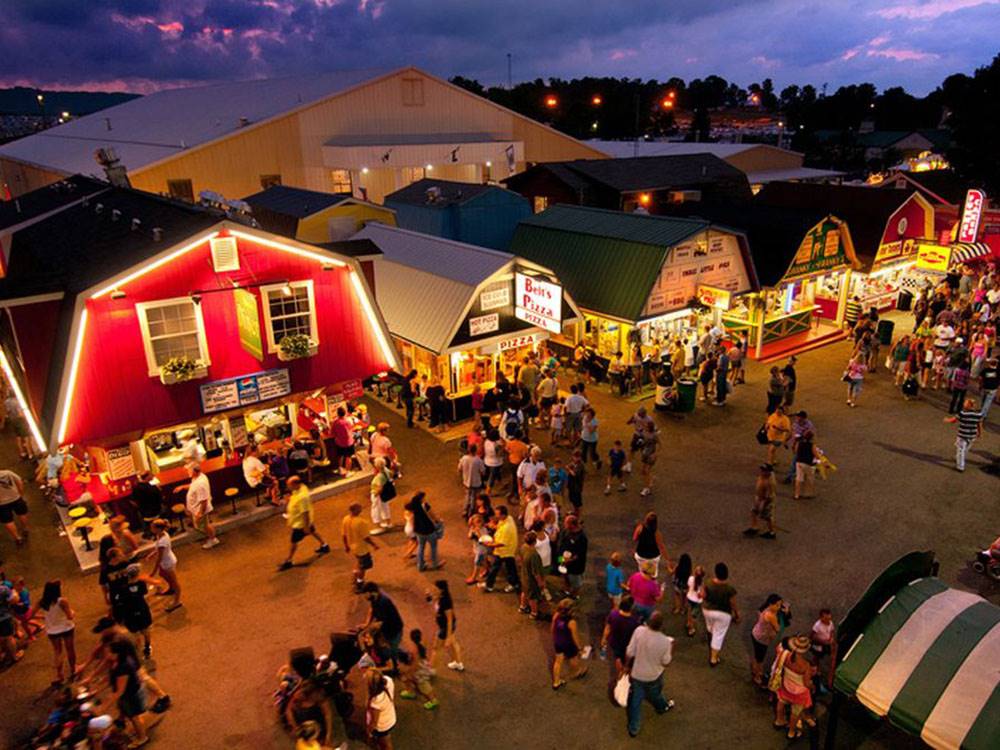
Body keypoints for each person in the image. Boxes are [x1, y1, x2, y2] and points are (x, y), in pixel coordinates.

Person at [624, 611, 675, 738]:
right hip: (654, 675)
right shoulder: (665, 642)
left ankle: (634, 728)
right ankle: (662, 707)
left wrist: (626, 666)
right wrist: (672, 648)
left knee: (635, 700)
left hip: (637, 674)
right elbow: (666, 662)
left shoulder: (639, 631)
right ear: (661, 626)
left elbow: (630, 652)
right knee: (655, 694)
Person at [29, 580, 76, 684]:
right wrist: (73, 612)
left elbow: (30, 615)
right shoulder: (62, 601)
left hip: (53, 631)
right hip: (66, 628)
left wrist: (44, 617)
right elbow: (70, 616)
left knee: (58, 652)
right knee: (70, 649)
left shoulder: (41, 602)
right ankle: (73, 669)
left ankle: (60, 675)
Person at [279, 476, 329, 570]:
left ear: (295, 484)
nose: (288, 487)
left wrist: (306, 526)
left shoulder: (302, 497)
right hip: (304, 522)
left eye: (289, 485)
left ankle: (289, 560)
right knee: (313, 531)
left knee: (293, 542)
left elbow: (305, 512)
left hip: (300, 523)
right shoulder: (302, 488)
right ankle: (324, 545)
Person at [109, 635, 149, 746]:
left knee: (134, 716)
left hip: (131, 694)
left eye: (110, 652)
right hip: (129, 694)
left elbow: (120, 691)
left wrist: (104, 706)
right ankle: (130, 727)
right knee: (131, 714)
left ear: (116, 653)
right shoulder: (121, 661)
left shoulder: (123, 666)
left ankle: (142, 737)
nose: (107, 654)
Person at [773, 635, 816, 739]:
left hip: (786, 685)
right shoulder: (805, 665)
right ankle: (791, 732)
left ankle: (779, 720)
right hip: (799, 693)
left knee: (781, 702)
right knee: (795, 713)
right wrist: (812, 686)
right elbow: (806, 683)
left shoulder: (786, 655)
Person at [702, 562, 740, 667]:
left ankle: (710, 634)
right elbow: (732, 603)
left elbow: (703, 595)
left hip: (708, 610)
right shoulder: (729, 588)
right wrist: (737, 614)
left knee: (710, 627)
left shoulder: (708, 583)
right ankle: (713, 658)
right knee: (719, 634)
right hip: (723, 613)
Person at [362, 583, 404, 670]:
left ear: (372, 592)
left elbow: (381, 622)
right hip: (386, 628)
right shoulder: (375, 598)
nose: (364, 597)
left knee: (391, 650)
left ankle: (396, 667)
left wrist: (369, 632)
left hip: (394, 629)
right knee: (389, 646)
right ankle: (403, 655)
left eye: (365, 594)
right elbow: (371, 609)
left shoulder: (384, 601)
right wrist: (366, 623)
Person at [481, 505, 520, 593]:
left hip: (505, 551)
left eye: (497, 514)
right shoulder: (507, 519)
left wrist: (489, 544)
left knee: (496, 568)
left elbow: (501, 543)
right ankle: (514, 583)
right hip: (507, 550)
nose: (496, 516)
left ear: (503, 515)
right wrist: (493, 526)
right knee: (510, 567)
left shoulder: (507, 528)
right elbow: (499, 526)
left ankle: (489, 585)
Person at [551, 598, 587, 689]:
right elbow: (574, 636)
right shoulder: (572, 622)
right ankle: (578, 671)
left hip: (558, 642)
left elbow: (553, 628)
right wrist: (579, 648)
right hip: (568, 644)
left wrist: (554, 638)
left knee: (558, 661)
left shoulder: (556, 615)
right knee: (573, 658)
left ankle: (556, 682)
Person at [398, 629, 439, 711]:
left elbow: (415, 664)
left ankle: (433, 700)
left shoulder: (414, 650)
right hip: (421, 667)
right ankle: (410, 691)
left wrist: (409, 672)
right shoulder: (420, 645)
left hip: (418, 672)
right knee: (406, 679)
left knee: (424, 687)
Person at [601, 595, 639, 678]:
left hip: (614, 642)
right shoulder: (634, 621)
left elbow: (608, 627)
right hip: (627, 643)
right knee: (628, 661)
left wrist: (604, 638)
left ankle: (620, 674)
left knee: (617, 658)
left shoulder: (613, 614)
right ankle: (627, 674)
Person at [342, 502, 379, 592]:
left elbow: (344, 535)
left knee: (359, 562)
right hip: (361, 548)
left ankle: (355, 575)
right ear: (355, 510)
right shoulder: (360, 522)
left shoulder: (345, 519)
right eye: (359, 508)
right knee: (364, 567)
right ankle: (359, 583)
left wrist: (346, 546)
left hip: (352, 546)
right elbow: (366, 537)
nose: (361, 509)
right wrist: (374, 545)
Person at [147, 519, 181, 612]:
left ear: (157, 529)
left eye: (152, 527)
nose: (151, 529)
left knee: (175, 582)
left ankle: (177, 601)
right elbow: (159, 550)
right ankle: (171, 588)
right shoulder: (162, 534)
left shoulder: (162, 541)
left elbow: (160, 557)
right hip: (166, 561)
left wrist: (153, 571)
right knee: (163, 574)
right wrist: (152, 554)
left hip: (167, 563)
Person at [429, 579, 463, 671]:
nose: (433, 589)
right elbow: (432, 602)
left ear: (441, 590)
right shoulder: (439, 596)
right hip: (444, 626)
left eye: (435, 588)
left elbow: (450, 620)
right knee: (453, 643)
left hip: (445, 627)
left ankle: (431, 669)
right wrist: (432, 597)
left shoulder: (446, 602)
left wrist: (447, 637)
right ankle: (458, 663)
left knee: (436, 648)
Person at [750, 594, 783, 687]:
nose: (779, 607)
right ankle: (757, 676)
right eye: (777, 605)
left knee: (757, 656)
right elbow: (777, 628)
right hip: (762, 639)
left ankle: (755, 670)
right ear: (770, 604)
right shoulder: (771, 615)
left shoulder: (765, 609)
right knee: (760, 660)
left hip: (755, 633)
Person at [406, 492, 443, 572]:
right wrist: (439, 521)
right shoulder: (425, 506)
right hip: (429, 530)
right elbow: (433, 515)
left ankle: (420, 565)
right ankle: (435, 563)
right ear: (421, 498)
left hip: (419, 531)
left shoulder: (413, 506)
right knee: (433, 547)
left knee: (421, 547)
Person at [185, 464, 219, 549]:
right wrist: (182, 487)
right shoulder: (198, 477)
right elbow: (193, 486)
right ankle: (211, 537)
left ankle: (213, 539)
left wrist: (200, 513)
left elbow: (204, 500)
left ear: (194, 471)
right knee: (203, 525)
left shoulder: (200, 484)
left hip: (199, 509)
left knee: (205, 526)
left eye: (189, 470)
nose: (187, 472)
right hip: (195, 508)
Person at [945, 398, 983, 472]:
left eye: (965, 403)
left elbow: (953, 420)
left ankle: (960, 466)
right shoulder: (978, 414)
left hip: (963, 435)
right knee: (965, 449)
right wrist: (980, 433)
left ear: (969, 405)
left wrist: (947, 420)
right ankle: (959, 459)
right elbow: (980, 424)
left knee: (960, 450)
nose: (963, 404)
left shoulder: (963, 413)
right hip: (972, 435)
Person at [518, 530, 549, 619]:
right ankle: (534, 613)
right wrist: (540, 582)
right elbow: (535, 572)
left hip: (524, 575)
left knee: (524, 591)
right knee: (533, 597)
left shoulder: (523, 547)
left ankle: (522, 607)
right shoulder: (534, 555)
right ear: (534, 541)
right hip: (531, 580)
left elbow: (520, 559)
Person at [744, 464, 777, 539]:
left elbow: (769, 496)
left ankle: (772, 532)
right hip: (759, 498)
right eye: (762, 470)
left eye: (764, 470)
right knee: (753, 511)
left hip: (767, 500)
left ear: (769, 472)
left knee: (768, 517)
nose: (762, 472)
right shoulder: (762, 477)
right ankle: (754, 527)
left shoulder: (770, 482)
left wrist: (762, 504)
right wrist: (757, 499)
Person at [558, 515, 588, 598]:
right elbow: (560, 546)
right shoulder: (565, 532)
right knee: (564, 576)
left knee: (575, 582)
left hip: (575, 567)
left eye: (566, 524)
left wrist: (569, 560)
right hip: (563, 560)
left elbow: (580, 554)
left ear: (573, 525)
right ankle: (567, 590)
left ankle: (574, 595)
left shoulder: (582, 538)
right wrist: (561, 560)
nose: (564, 525)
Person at [366, 670, 396, 750]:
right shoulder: (389, 681)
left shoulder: (377, 701)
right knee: (386, 739)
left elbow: (374, 721)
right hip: (390, 717)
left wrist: (369, 731)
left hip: (382, 726)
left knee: (386, 743)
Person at [632, 512, 670, 577]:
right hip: (653, 557)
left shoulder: (640, 528)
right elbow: (661, 547)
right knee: (653, 575)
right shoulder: (656, 533)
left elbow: (634, 539)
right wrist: (668, 560)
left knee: (642, 574)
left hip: (641, 555)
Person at [0, 467, 28, 545]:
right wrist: (21, 493)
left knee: (8, 521)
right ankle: (25, 528)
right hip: (16, 498)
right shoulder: (8, 473)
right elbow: (19, 481)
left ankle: (18, 538)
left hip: (2, 503)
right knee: (22, 514)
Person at [457, 444, 485, 518]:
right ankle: (472, 511)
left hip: (466, 481)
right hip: (476, 482)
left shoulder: (464, 458)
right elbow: (483, 471)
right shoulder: (478, 460)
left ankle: (465, 510)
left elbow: (459, 468)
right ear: (475, 450)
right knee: (474, 497)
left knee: (467, 496)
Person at [369, 457, 394, 533]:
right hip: (384, 495)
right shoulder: (386, 470)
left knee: (376, 510)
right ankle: (388, 522)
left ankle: (378, 527)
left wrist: (375, 494)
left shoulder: (380, 476)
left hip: (378, 495)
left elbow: (380, 488)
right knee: (385, 507)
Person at [793, 431, 821, 500]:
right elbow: (816, 455)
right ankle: (808, 493)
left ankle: (797, 494)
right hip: (808, 463)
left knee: (799, 479)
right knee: (809, 479)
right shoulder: (812, 445)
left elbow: (796, 451)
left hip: (799, 462)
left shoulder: (799, 443)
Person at [504, 430, 529, 501]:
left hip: (511, 462)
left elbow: (506, 449)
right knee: (518, 478)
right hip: (519, 464)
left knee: (513, 477)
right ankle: (516, 492)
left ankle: (513, 491)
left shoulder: (510, 443)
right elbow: (525, 456)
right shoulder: (523, 446)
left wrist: (511, 453)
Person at [638, 426, 659, 497]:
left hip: (651, 455)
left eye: (647, 427)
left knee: (646, 471)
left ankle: (647, 488)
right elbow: (643, 442)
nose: (645, 428)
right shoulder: (644, 433)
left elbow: (659, 444)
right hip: (645, 454)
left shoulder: (654, 435)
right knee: (643, 471)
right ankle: (650, 481)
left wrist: (655, 454)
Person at [685, 565, 706, 637]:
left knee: (689, 612)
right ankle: (691, 628)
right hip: (697, 602)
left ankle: (688, 623)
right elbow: (701, 595)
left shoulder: (691, 578)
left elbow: (688, 587)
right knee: (694, 616)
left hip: (689, 597)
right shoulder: (702, 584)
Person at [482, 429, 505, 494]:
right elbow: (500, 454)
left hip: (487, 460)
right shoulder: (495, 446)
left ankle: (501, 483)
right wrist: (502, 447)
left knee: (496, 474)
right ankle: (488, 491)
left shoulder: (487, 441)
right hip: (495, 463)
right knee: (492, 477)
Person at [566, 449, 586, 517]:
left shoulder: (581, 465)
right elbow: (570, 465)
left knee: (578, 502)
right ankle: (575, 512)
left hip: (577, 486)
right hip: (572, 485)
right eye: (574, 456)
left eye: (577, 457)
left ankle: (579, 516)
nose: (575, 458)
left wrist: (569, 469)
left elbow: (575, 474)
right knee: (573, 500)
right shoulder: (574, 463)